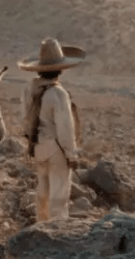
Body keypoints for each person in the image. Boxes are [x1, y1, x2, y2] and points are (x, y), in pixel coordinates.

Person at [18, 37, 85, 222]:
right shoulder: (58, 93)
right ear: (61, 69)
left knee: (43, 191)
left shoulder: (29, 89)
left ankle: (41, 226)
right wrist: (71, 154)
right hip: (56, 149)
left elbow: (25, 119)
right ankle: (57, 230)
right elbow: (65, 129)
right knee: (59, 196)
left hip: (38, 147)